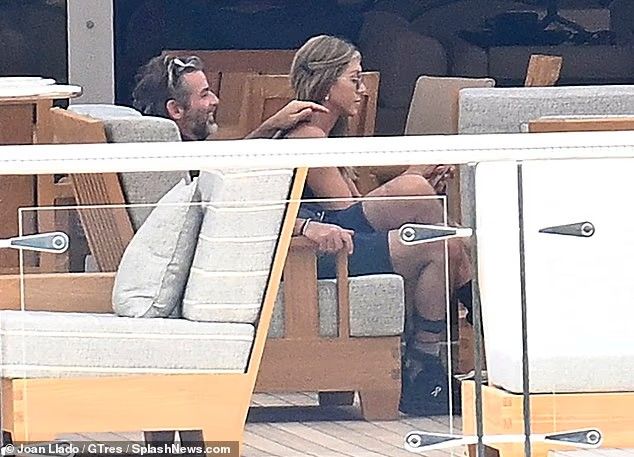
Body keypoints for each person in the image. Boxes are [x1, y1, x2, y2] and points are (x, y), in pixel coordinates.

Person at [283, 35, 473, 416]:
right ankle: (465, 333)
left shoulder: (327, 134)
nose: (364, 89)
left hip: (342, 241)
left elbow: (356, 212)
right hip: (318, 253)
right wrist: (413, 181)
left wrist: (415, 186)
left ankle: (429, 361)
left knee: (441, 235)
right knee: (429, 217)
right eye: (354, 80)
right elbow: (350, 216)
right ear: (325, 83)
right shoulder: (308, 137)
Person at [131, 54, 329, 141]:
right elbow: (226, 174)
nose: (215, 100)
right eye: (204, 94)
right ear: (175, 110)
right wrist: (272, 126)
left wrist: (272, 126)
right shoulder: (172, 164)